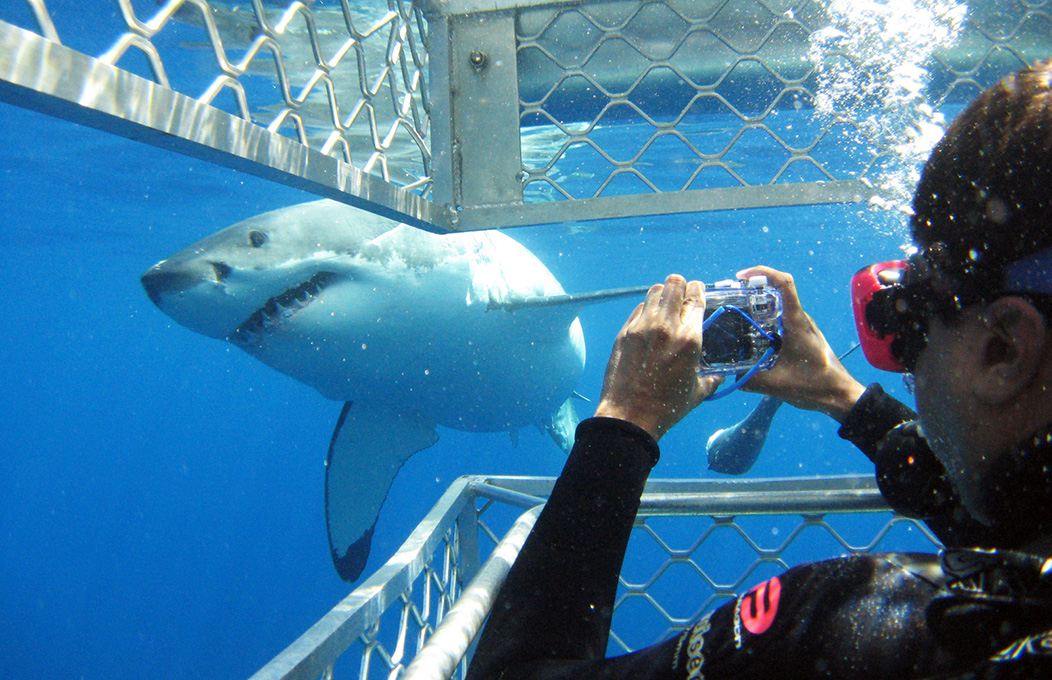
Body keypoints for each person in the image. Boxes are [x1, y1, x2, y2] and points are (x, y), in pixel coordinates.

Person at [465, 60, 1052, 680]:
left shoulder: (866, 630)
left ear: (1004, 349)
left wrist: (623, 421)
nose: (906, 362)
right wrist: (842, 396)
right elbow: (1013, 508)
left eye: (903, 321)